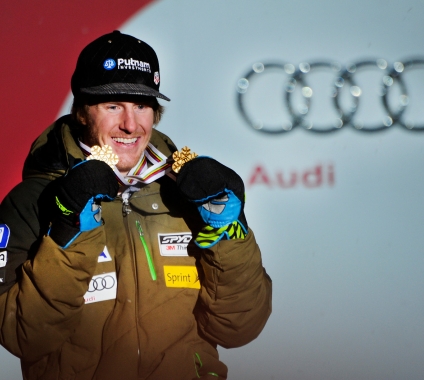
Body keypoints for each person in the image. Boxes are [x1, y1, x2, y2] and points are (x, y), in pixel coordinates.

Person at [0, 30, 272, 380]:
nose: (130, 124)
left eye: (141, 105)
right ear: (82, 112)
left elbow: (239, 327)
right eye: (113, 106)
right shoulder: (35, 200)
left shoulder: (187, 192)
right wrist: (68, 232)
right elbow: (24, 338)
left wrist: (230, 232)